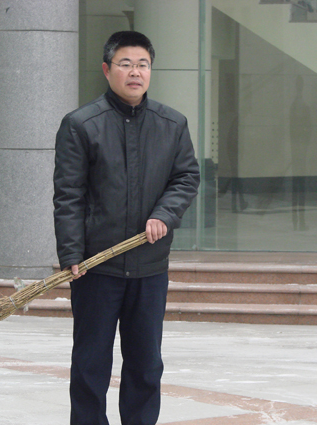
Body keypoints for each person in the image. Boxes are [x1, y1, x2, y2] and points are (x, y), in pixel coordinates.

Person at [53, 31, 200, 425]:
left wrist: (165, 214)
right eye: (126, 64)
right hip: (96, 267)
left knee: (145, 365)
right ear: (107, 70)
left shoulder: (172, 124)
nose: (135, 72)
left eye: (143, 65)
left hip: (150, 267)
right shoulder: (81, 125)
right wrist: (71, 254)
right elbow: (68, 195)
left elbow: (186, 177)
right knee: (90, 365)